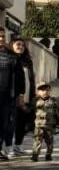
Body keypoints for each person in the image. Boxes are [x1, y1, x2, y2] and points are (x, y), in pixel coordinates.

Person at [7, 37, 36, 156]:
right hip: (13, 97)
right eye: (18, 45)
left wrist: (33, 94)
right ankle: (8, 147)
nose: (21, 47)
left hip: (27, 96)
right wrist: (18, 95)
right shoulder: (10, 60)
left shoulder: (27, 61)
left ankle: (18, 145)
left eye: (23, 45)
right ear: (12, 45)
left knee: (23, 123)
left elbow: (31, 79)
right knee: (10, 123)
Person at [29, 83, 59, 161]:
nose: (45, 92)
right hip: (38, 125)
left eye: (47, 90)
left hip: (49, 125)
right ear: (38, 91)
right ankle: (35, 155)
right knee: (37, 140)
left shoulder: (53, 101)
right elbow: (29, 111)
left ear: (50, 91)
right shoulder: (34, 101)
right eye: (42, 90)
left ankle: (48, 154)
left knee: (49, 141)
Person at [0, 33, 15, 161]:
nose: (1, 39)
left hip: (5, 95)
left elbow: (14, 76)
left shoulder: (10, 55)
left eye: (3, 36)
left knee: (4, 124)